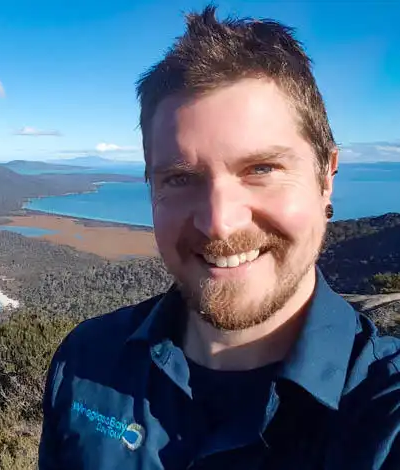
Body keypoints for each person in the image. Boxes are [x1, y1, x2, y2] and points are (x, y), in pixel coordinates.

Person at [38, 4, 400, 469]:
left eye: (261, 169)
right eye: (180, 178)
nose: (219, 223)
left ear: (325, 178)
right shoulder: (86, 361)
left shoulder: (379, 414)